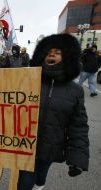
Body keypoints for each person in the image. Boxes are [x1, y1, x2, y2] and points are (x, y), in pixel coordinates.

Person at [18, 33, 89, 190]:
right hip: (26, 146)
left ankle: (40, 185)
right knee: (24, 181)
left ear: (67, 57)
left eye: (57, 52)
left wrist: (78, 157)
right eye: (48, 51)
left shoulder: (75, 91)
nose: (51, 54)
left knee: (41, 176)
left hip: (52, 148)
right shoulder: (25, 81)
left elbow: (78, 126)